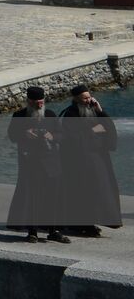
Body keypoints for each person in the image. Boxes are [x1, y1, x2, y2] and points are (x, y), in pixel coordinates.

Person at [6, 86, 70, 243]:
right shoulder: (19, 115)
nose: (40, 106)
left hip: (51, 162)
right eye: (37, 103)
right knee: (32, 197)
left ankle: (53, 230)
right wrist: (24, 134)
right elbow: (12, 135)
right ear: (29, 102)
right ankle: (32, 231)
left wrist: (52, 135)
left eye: (42, 103)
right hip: (30, 164)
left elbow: (62, 135)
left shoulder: (50, 114)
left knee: (53, 197)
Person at [59, 84, 121, 237]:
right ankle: (82, 224)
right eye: (84, 98)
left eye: (89, 97)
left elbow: (109, 129)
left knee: (101, 189)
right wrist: (93, 130)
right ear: (77, 100)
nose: (88, 101)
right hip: (79, 161)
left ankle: (98, 220)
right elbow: (71, 139)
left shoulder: (94, 111)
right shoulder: (70, 114)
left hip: (98, 157)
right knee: (83, 191)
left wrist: (101, 111)